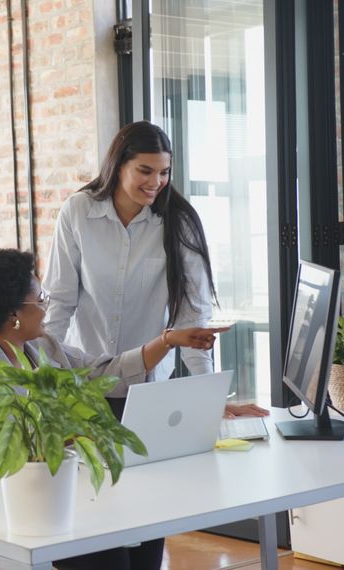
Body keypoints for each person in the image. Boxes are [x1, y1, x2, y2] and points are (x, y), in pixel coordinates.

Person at [0, 248, 228, 570]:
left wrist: (168, 341)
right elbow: (11, 446)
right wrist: (87, 434)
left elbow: (105, 373)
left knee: (149, 525)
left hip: (64, 481)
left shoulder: (42, 347)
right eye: (41, 299)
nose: (46, 307)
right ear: (14, 313)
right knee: (109, 556)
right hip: (13, 495)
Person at [43, 121, 267, 419]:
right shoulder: (78, 212)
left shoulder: (179, 222)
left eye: (164, 172)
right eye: (145, 171)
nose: (156, 182)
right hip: (84, 381)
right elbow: (59, 301)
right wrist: (43, 376)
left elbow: (192, 318)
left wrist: (210, 398)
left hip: (148, 386)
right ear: (119, 165)